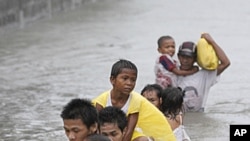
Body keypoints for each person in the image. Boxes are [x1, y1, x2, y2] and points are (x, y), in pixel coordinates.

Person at [92, 59, 176, 141]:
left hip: (126, 133)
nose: (129, 83)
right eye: (125, 79)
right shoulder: (101, 101)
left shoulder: (135, 100)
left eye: (133, 80)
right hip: (106, 133)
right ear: (112, 80)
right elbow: (95, 127)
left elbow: (129, 130)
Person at [177, 33, 230, 112]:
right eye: (182, 56)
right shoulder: (172, 73)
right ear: (178, 56)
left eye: (189, 57)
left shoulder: (204, 76)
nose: (185, 60)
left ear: (195, 59)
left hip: (197, 115)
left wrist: (212, 42)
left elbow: (225, 63)